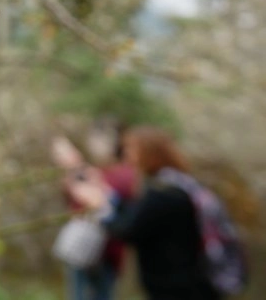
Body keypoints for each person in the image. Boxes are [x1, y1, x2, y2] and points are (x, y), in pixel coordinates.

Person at [69, 126, 220, 300]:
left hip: (176, 286)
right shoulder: (173, 183)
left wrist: (100, 207)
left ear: (149, 153)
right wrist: (107, 195)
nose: (126, 154)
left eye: (132, 149)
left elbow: (128, 229)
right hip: (181, 282)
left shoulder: (163, 192)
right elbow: (135, 213)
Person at [51, 129, 136, 300]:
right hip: (85, 246)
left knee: (97, 292)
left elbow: (108, 202)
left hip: (106, 248)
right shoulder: (87, 174)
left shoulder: (120, 174)